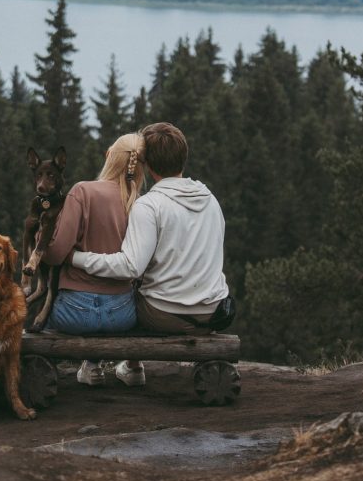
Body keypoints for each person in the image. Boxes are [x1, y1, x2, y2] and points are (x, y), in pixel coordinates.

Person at [72, 121, 229, 387]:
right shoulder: (210, 200)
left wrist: (78, 258)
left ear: (146, 164)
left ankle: (97, 363)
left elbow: (129, 267)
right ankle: (132, 367)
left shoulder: (149, 206)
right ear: (183, 156)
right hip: (212, 311)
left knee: (119, 299)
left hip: (164, 313)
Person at [41, 131, 145, 385]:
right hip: (121, 315)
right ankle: (115, 365)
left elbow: (54, 254)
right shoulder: (139, 203)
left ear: (109, 156)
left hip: (74, 313)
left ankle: (90, 365)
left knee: (42, 313)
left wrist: (43, 240)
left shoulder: (82, 192)